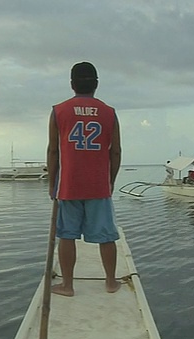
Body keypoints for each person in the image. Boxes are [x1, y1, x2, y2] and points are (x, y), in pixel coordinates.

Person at [46, 61, 122, 297]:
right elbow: (115, 151)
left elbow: (53, 150)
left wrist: (52, 184)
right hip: (98, 185)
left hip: (69, 184)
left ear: (72, 84)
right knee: (106, 236)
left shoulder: (59, 111)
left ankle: (68, 285)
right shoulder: (109, 112)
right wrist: (110, 180)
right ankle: (110, 281)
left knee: (67, 235)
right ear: (96, 85)